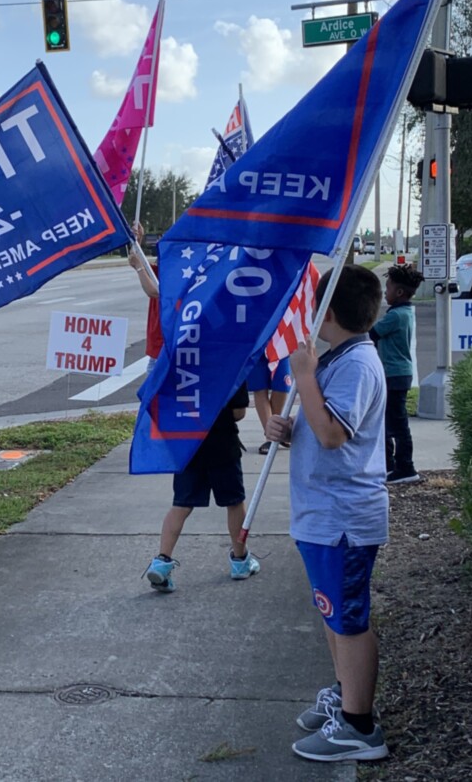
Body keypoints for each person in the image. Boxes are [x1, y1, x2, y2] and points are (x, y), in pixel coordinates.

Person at [266, 264, 389, 762]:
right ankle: (345, 693)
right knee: (333, 612)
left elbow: (336, 434)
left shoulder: (357, 362)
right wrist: (293, 426)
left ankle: (360, 727)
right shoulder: (343, 357)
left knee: (350, 618)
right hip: (324, 515)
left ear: (327, 312)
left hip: (343, 519)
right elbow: (327, 428)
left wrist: (303, 377)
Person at [144, 382, 261, 592]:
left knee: (180, 505)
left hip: (188, 444)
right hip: (222, 445)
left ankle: (162, 561)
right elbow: (238, 413)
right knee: (234, 502)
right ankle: (240, 560)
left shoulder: (181, 361)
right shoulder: (230, 362)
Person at [370, 263, 425, 484]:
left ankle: (405, 467)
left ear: (400, 292)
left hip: (394, 375)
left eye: (389, 288)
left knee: (397, 424)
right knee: (387, 421)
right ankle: (389, 465)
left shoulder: (396, 316)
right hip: (396, 374)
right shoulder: (405, 312)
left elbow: (372, 333)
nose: (386, 292)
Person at [127, 224, 161, 372]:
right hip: (157, 346)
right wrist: (136, 240)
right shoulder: (160, 270)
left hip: (165, 347)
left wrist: (140, 268)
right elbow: (135, 260)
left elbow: (154, 292)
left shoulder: (177, 273)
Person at [247, 351, 292, 454]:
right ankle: (270, 436)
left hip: (279, 343)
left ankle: (276, 431)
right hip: (257, 345)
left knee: (282, 386)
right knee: (260, 388)